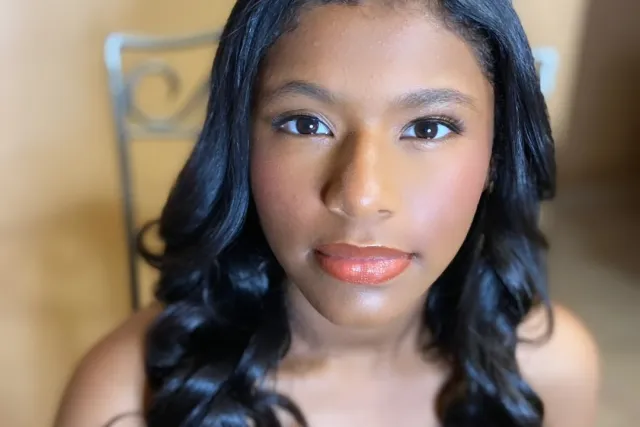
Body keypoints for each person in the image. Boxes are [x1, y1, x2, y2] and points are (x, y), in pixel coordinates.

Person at [55, 1, 600, 426]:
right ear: (241, 141)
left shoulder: (551, 372)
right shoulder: (124, 398)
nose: (360, 196)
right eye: (306, 124)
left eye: (428, 127)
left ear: (496, 154)